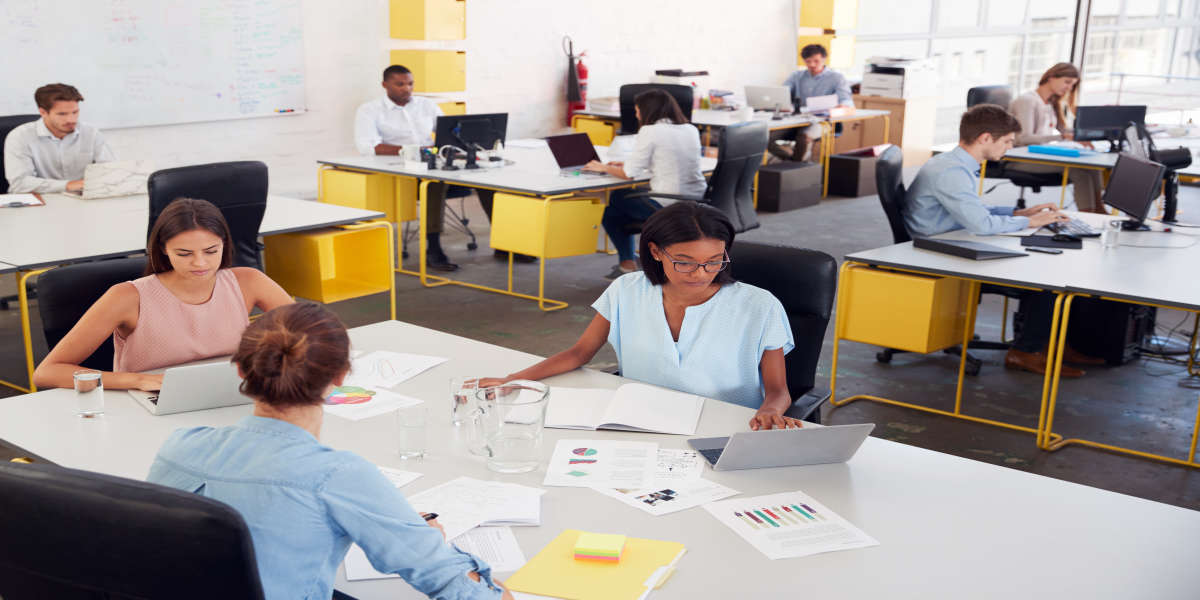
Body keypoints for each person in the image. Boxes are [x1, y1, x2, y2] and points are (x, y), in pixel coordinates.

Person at [147, 303, 511, 600]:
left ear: (241, 369)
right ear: (340, 376)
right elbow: (458, 588)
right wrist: (418, 537)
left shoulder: (179, 446)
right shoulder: (338, 477)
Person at [482, 201, 802, 431]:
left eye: (714, 261)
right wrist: (513, 380)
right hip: (644, 420)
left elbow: (777, 390)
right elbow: (580, 353)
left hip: (725, 426)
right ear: (655, 251)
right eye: (684, 262)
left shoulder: (760, 306)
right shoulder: (626, 291)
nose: (701, 273)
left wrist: (770, 412)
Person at [903, 104, 1102, 376]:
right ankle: (1026, 352)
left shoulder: (957, 164)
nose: (1008, 148)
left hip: (952, 238)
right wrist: (1031, 222)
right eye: (1007, 141)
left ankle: (1049, 345)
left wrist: (1018, 212)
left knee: (1046, 263)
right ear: (985, 138)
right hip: (944, 251)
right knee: (1045, 279)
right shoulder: (951, 172)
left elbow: (973, 209)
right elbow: (981, 224)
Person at [32, 198, 293, 391]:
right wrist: (137, 380)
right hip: (148, 398)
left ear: (224, 244)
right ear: (163, 248)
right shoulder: (126, 297)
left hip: (226, 391)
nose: (200, 263)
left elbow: (317, 337)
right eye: (184, 254)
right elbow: (47, 373)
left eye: (211, 251)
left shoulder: (249, 281)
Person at [354, 65, 508, 270]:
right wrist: (414, 150)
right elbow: (368, 146)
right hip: (399, 173)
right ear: (385, 85)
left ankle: (504, 245)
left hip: (434, 165)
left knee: (486, 182)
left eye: (410, 83)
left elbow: (450, 132)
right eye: (399, 84)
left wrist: (463, 146)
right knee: (433, 184)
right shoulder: (369, 110)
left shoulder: (426, 105)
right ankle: (433, 249)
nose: (406, 89)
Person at [584, 89, 706, 278]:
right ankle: (630, 262)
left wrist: (603, 167)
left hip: (668, 204)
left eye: (638, 109)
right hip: (698, 201)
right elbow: (669, 159)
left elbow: (628, 174)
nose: (636, 114)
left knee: (614, 203)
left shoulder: (650, 131)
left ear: (648, 110)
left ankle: (628, 263)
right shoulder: (689, 129)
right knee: (617, 210)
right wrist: (627, 165)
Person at [1008, 62, 1105, 213]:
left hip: (1038, 154)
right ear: (1051, 77)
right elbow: (1022, 139)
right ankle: (1089, 214)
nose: (1069, 88)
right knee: (1079, 171)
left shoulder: (1051, 102)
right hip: (1019, 159)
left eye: (1072, 85)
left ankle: (1099, 209)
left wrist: (1080, 135)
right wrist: (1061, 137)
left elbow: (1063, 130)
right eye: (1067, 82)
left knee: (1093, 166)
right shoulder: (1027, 101)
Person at [3, 83, 114, 194]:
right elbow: (20, 184)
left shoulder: (91, 133)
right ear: (43, 112)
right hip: (40, 202)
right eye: (62, 114)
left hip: (82, 200)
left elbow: (110, 172)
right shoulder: (20, 137)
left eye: (75, 112)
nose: (71, 119)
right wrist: (68, 185)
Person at [769, 44, 855, 163]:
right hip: (796, 120)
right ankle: (792, 162)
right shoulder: (796, 76)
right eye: (808, 61)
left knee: (804, 137)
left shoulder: (837, 78)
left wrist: (843, 106)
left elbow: (846, 100)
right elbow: (783, 93)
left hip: (822, 122)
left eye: (816, 61)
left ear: (824, 59)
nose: (812, 65)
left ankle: (797, 167)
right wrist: (781, 102)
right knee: (764, 137)